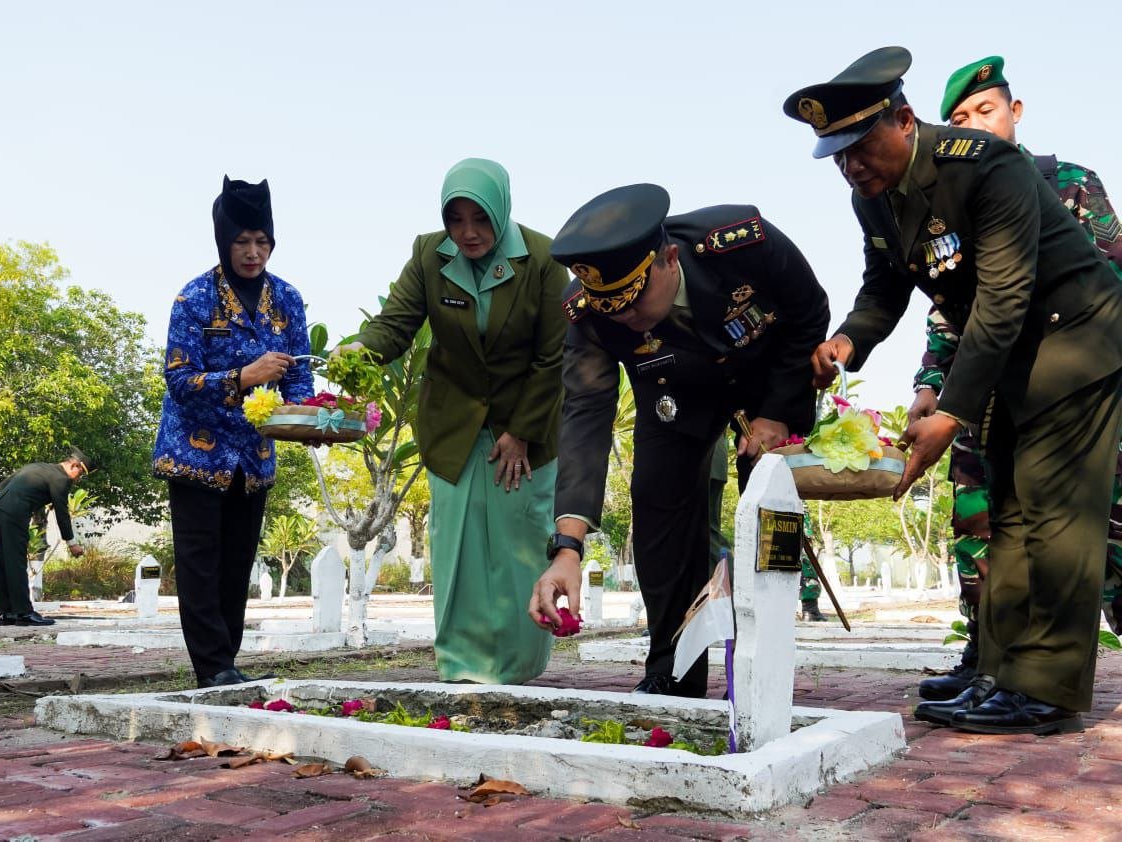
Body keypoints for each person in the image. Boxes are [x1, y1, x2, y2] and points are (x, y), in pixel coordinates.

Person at [785, 47, 1122, 735]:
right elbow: (885, 285)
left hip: (1076, 341)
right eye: (837, 154)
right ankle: (1000, 672)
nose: (851, 165)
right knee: (1006, 512)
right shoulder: (872, 197)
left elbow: (1001, 298)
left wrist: (952, 411)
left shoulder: (984, 166)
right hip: (1007, 355)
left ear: (905, 121)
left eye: (860, 146)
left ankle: (1048, 689)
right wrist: (848, 343)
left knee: (1053, 513)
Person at [528, 184, 830, 698]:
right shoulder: (587, 312)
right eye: (611, 310)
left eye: (633, 301)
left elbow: (809, 311)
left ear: (669, 258)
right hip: (674, 393)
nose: (625, 318)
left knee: (768, 510)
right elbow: (586, 416)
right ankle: (671, 671)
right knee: (657, 511)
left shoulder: (739, 240)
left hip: (768, 380)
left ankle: (768, 667)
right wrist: (568, 548)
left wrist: (776, 413)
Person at [908, 56, 1122, 704]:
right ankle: (987, 661)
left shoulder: (1070, 184)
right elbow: (948, 311)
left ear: (1015, 113)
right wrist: (929, 386)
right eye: (960, 119)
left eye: (985, 111)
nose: (974, 125)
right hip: (983, 393)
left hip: (1066, 383)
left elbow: (1107, 287)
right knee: (979, 525)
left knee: (1095, 535)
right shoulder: (954, 200)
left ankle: (1046, 676)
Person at [344, 158, 567, 684]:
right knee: (458, 547)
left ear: (502, 211)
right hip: (455, 423)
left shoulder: (543, 260)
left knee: (517, 548)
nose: (468, 232)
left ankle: (516, 664)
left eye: (480, 219)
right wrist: (358, 354)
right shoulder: (429, 254)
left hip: (526, 426)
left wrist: (522, 433)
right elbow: (394, 324)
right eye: (456, 219)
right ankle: (462, 666)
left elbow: (554, 358)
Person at [152, 176, 314, 689]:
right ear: (224, 242)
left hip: (253, 454)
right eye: (242, 242)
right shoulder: (194, 298)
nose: (253, 253)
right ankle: (213, 667)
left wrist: (307, 417)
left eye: (262, 241)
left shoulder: (287, 298)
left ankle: (227, 663)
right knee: (200, 565)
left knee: (238, 562)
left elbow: (300, 374)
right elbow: (179, 380)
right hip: (195, 454)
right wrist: (243, 377)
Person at [0, 449, 93, 626]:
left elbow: (3, 485)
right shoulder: (61, 479)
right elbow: (62, 513)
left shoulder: (38, 467)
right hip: (14, 515)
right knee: (16, 561)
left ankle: (6, 614)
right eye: (80, 473)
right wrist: (71, 543)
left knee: (1, 562)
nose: (77, 479)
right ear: (74, 465)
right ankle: (23, 613)